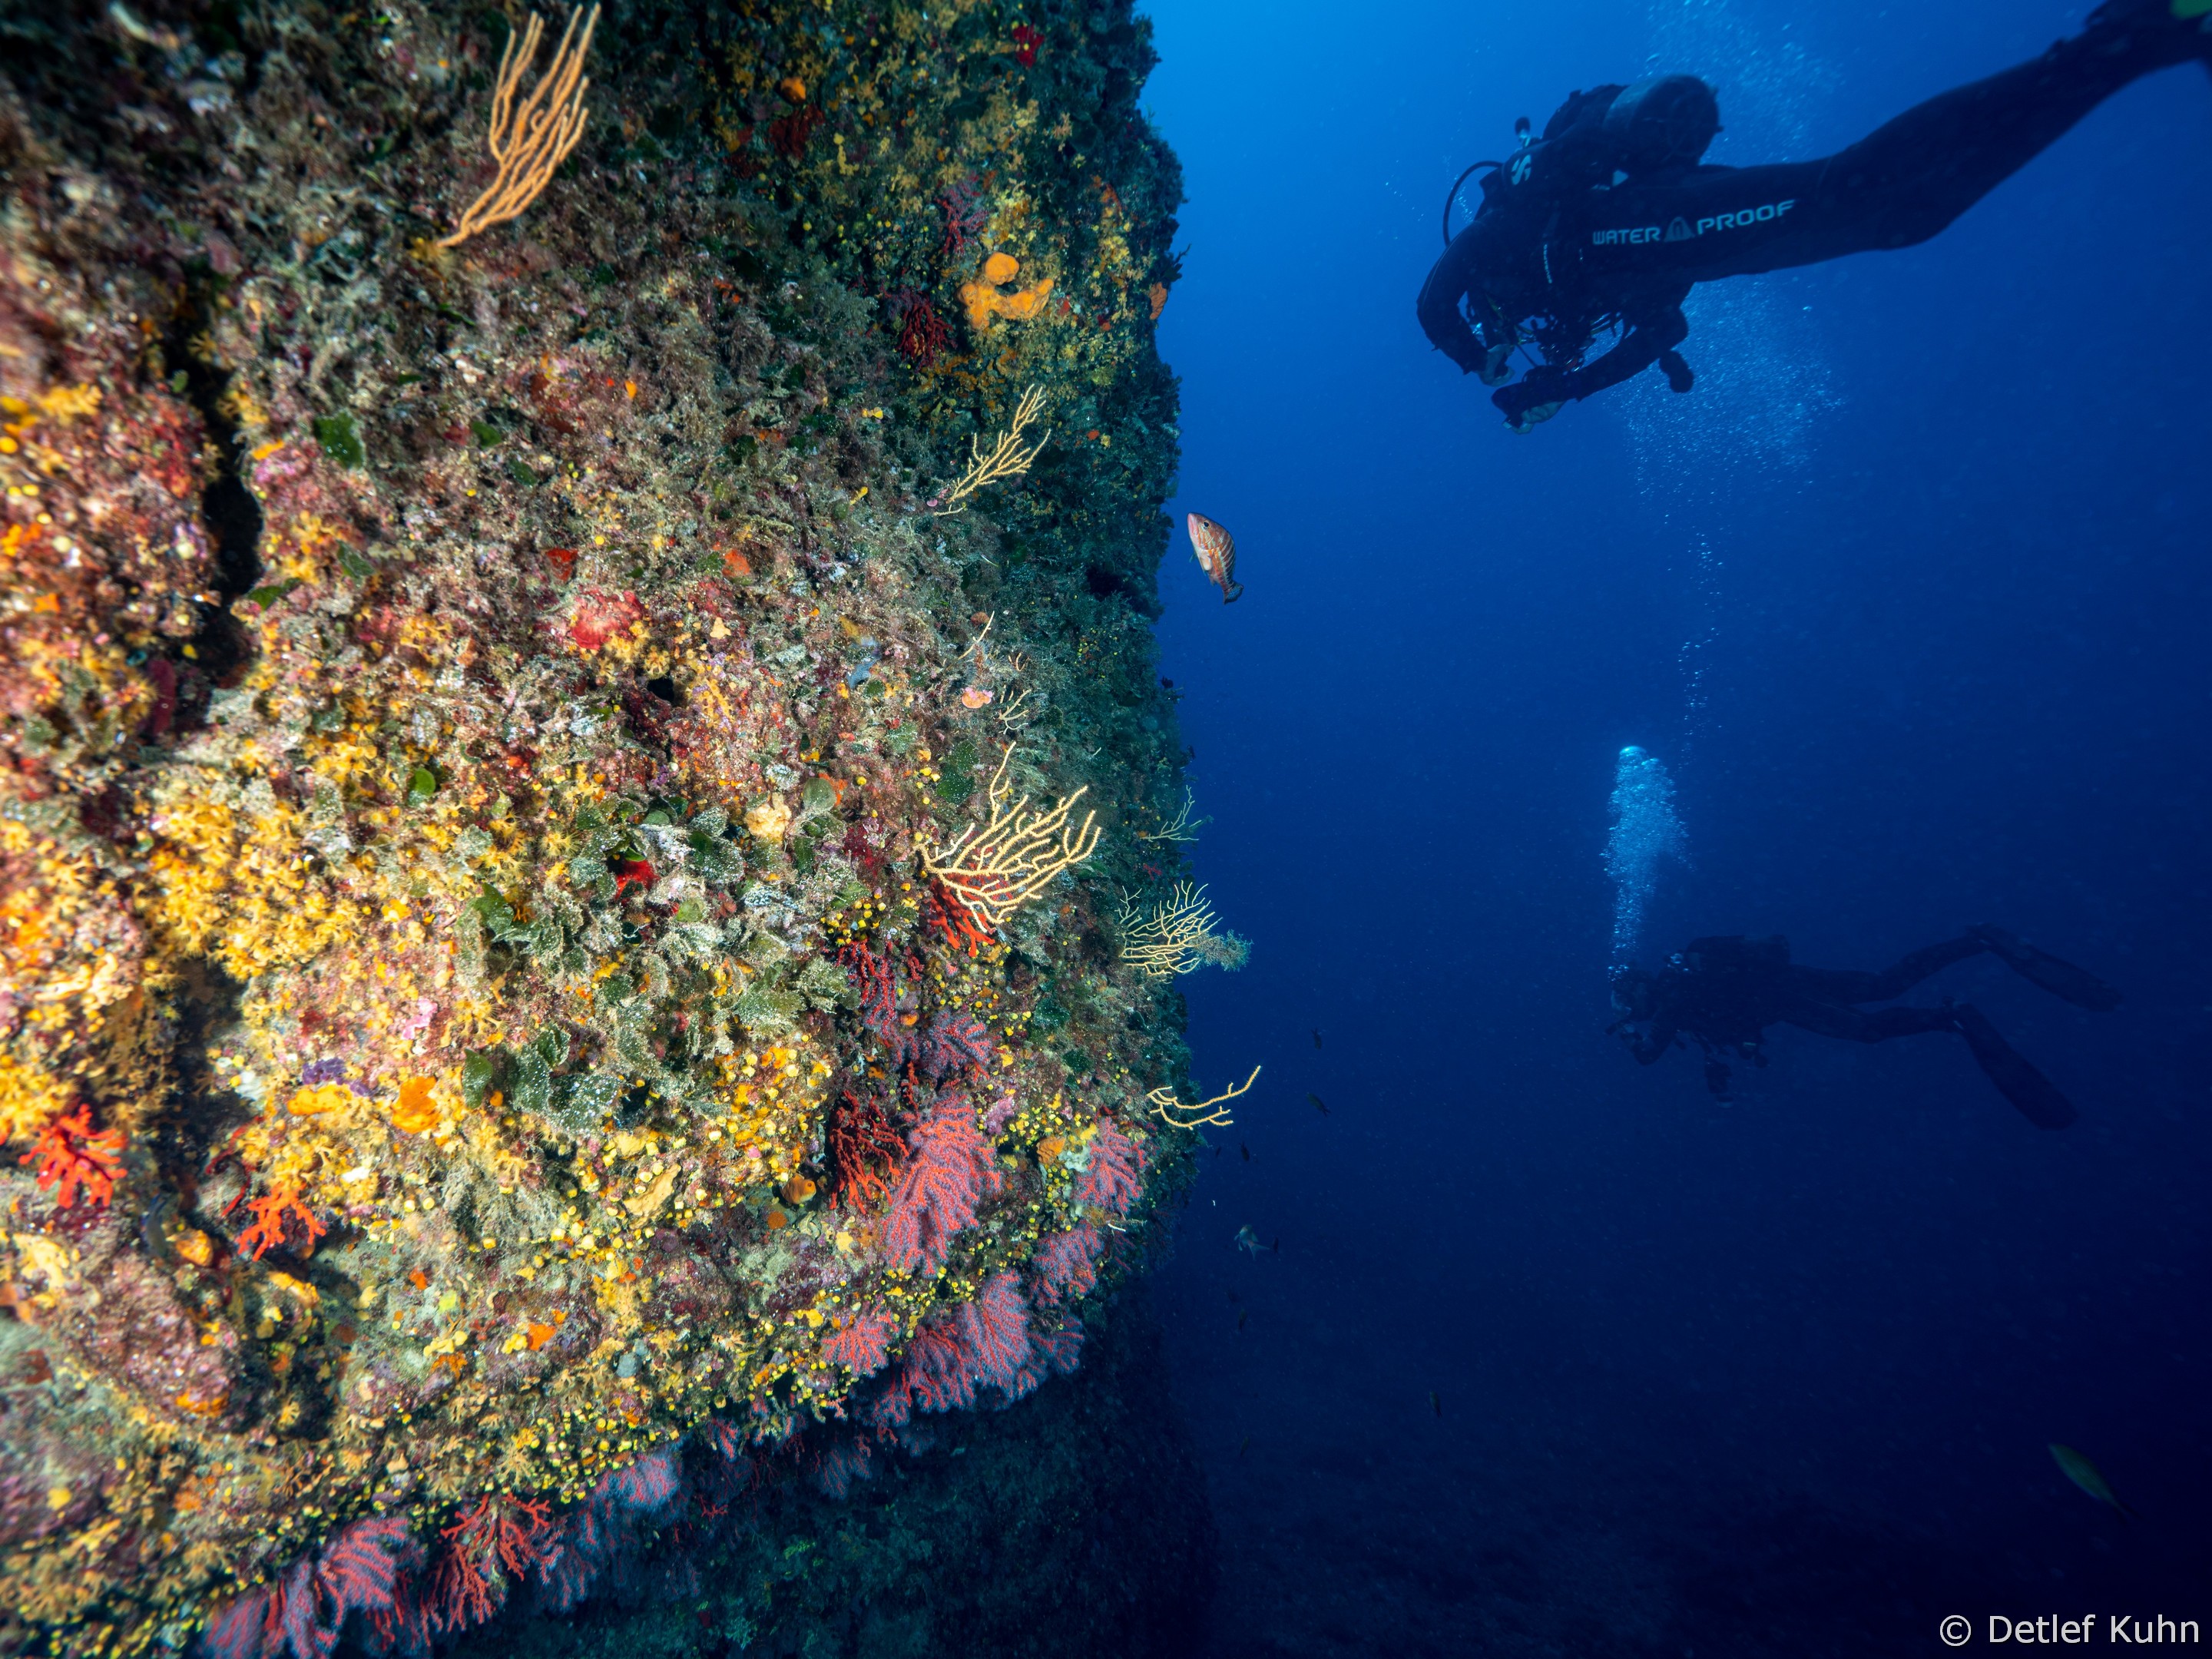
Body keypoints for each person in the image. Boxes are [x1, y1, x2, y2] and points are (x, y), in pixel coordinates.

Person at [1418, 1, 2212, 432]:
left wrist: (1468, 353)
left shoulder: (1508, 242)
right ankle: (2142, 43)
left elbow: (1431, 299)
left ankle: (2122, 39)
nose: (1508, 344)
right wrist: (1563, 388)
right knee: (1899, 214)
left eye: (1500, 337)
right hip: (1670, 238)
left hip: (1653, 222)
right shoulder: (1562, 294)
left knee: (1861, 190)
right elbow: (1662, 332)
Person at [1607, 926, 2121, 1128]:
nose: (1635, 1011)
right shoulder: (1683, 985)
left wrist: (1633, 1040)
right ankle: (1978, 941)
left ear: (1640, 990)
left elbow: (1651, 1055)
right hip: (1787, 981)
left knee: (1868, 1030)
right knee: (1880, 984)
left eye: (1631, 1003)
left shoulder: (1674, 1001)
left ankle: (1951, 1016)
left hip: (1783, 997)